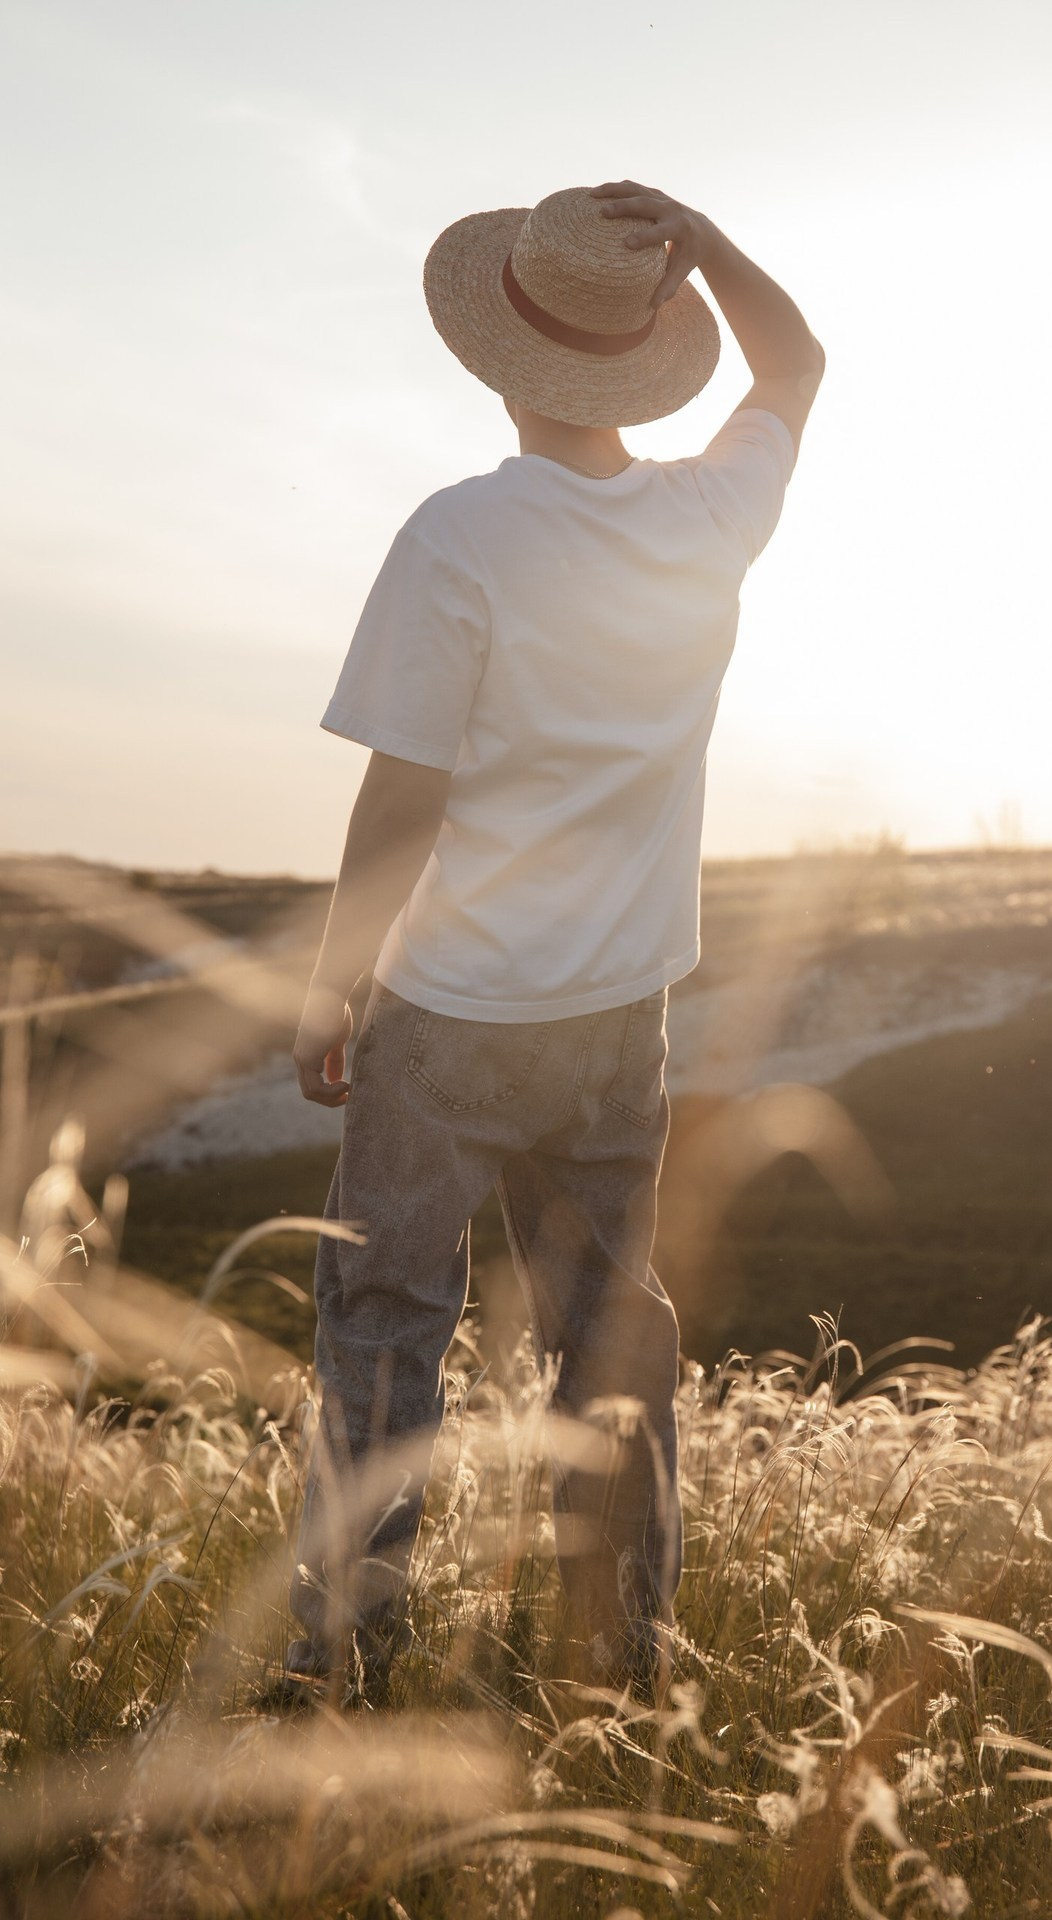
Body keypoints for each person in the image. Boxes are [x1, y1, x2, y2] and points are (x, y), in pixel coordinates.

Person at [284, 180, 824, 1705]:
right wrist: (705, 241)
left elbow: (407, 791)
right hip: (618, 1015)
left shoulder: (459, 535)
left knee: (387, 1328)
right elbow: (796, 366)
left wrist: (334, 981)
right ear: (649, 356)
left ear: (501, 361)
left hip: (450, 1007)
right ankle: (620, 1662)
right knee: (607, 1341)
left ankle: (347, 1664)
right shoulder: (709, 517)